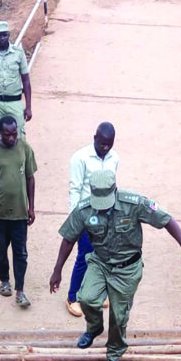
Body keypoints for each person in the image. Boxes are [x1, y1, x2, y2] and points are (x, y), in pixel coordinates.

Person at [50, 171, 181, 361]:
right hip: (100, 262)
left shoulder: (134, 203)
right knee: (86, 298)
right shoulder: (84, 209)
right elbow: (68, 239)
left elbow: (166, 220)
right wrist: (57, 270)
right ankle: (94, 327)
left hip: (127, 268)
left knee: (119, 316)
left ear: (115, 190)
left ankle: (113, 355)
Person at [0, 116, 37, 308]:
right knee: (1, 250)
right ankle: (4, 280)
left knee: (20, 253)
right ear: (0, 132)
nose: (12, 138)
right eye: (7, 134)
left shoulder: (24, 148)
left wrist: (31, 206)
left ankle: (20, 291)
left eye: (14, 133)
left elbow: (30, 178)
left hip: (19, 212)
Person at [65, 123, 120, 317]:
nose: (105, 148)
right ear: (95, 138)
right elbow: (75, 189)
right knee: (85, 257)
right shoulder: (80, 158)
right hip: (87, 216)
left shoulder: (114, 158)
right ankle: (72, 297)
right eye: (102, 143)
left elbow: (113, 186)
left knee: (104, 257)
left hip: (107, 215)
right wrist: (75, 221)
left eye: (109, 144)